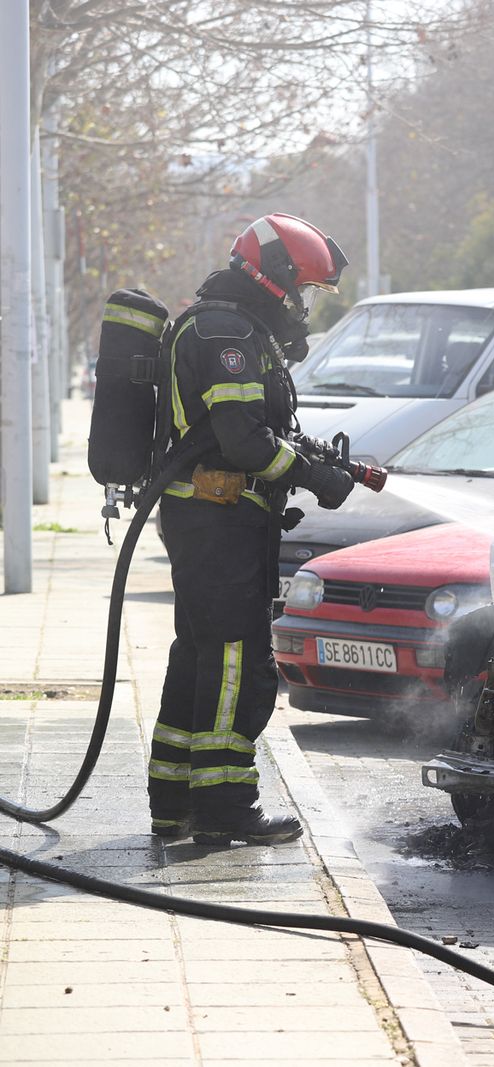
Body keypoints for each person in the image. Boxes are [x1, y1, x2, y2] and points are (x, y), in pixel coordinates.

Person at [148, 213, 357, 845]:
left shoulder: (228, 325)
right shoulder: (225, 332)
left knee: (201, 655)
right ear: (276, 279)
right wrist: (313, 477)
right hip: (219, 521)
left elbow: (251, 427)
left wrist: (311, 457)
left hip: (213, 521)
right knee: (239, 661)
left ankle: (174, 800)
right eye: (303, 291)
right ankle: (225, 807)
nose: (303, 306)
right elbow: (242, 441)